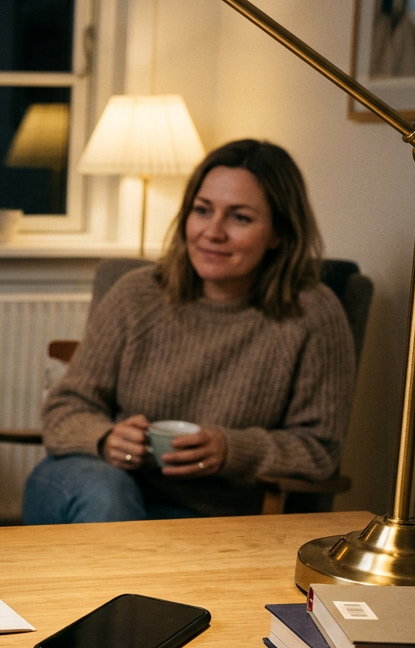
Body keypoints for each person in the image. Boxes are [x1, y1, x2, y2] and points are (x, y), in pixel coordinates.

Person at [22, 139, 356, 523]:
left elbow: (319, 450)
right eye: (202, 210)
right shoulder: (137, 293)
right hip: (97, 484)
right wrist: (106, 438)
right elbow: (65, 408)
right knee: (108, 493)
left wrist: (232, 450)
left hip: (218, 517)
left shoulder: (312, 314)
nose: (212, 232)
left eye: (240, 218)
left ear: (279, 232)